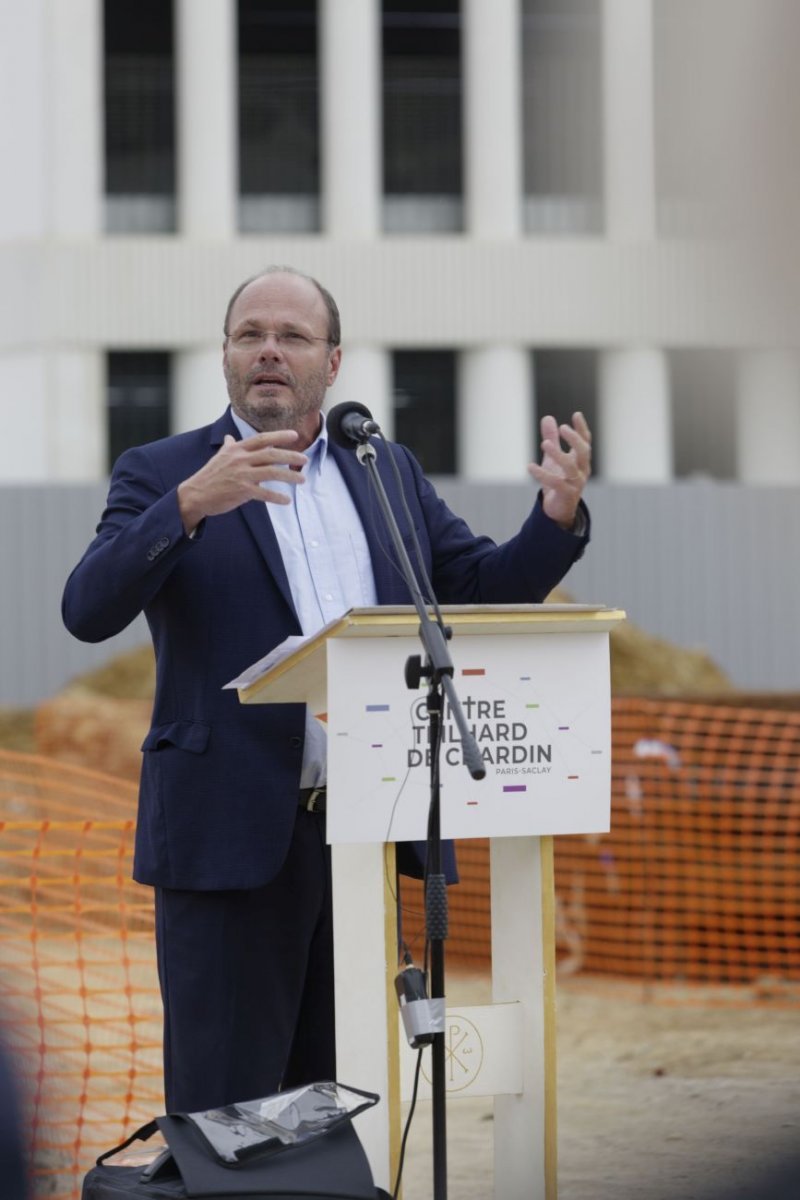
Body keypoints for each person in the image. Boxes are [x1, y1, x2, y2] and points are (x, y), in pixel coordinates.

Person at [62, 265, 592, 1114]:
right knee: (225, 1109)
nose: (269, 351)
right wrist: (189, 507)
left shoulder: (382, 470)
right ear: (226, 354)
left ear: (333, 362)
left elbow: (474, 586)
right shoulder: (162, 470)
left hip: (362, 829)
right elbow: (86, 609)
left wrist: (556, 520)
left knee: (337, 1097)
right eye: (250, 335)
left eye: (293, 337)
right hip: (228, 836)